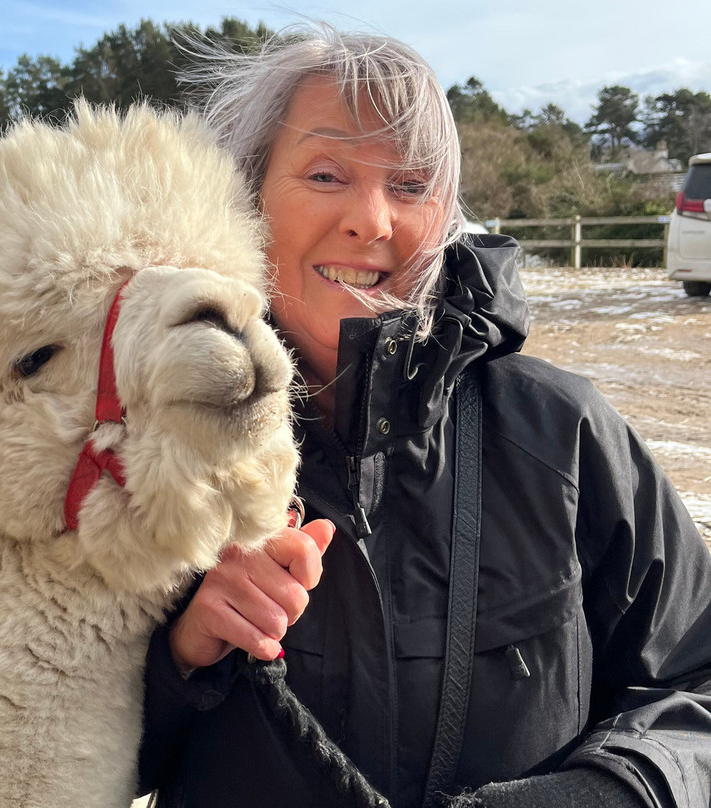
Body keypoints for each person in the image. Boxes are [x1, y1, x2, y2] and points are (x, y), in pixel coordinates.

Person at [137, 25, 711, 808]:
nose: (372, 221)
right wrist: (183, 654)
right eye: (326, 173)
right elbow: (51, 743)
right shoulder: (150, 442)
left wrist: (606, 790)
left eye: (410, 186)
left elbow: (695, 680)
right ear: (247, 194)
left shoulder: (563, 433)